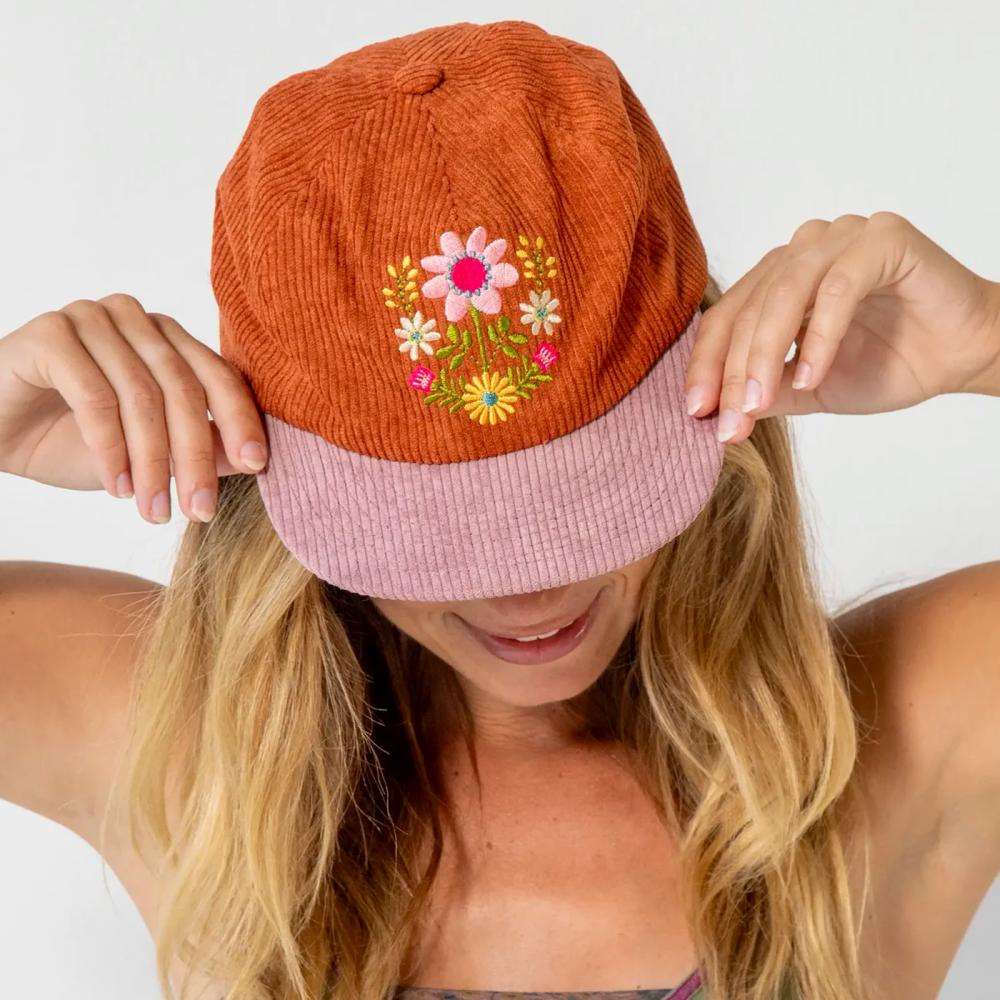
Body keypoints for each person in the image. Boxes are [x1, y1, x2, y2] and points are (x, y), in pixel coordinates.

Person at [0, 19, 998, 1000]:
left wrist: (988, 340)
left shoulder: (876, 745)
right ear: (278, 473)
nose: (528, 590)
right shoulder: (197, 752)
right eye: (438, 530)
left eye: (579, 498)